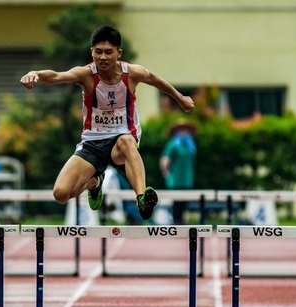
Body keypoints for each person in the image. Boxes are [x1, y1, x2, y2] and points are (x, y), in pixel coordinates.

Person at [20, 25, 194, 220]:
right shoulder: (86, 74)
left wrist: (180, 98)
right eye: (98, 52)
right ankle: (94, 183)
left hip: (121, 139)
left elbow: (155, 80)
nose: (103, 57)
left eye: (108, 52)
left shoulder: (132, 73)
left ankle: (142, 198)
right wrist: (35, 73)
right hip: (93, 142)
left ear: (118, 53)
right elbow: (56, 76)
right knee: (61, 194)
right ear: (91, 51)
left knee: (126, 141)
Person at [160, 119, 198, 224]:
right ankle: (176, 221)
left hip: (187, 178)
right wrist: (166, 173)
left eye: (185, 129)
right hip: (175, 179)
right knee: (176, 202)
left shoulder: (190, 145)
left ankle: (180, 220)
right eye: (181, 129)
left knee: (184, 202)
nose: (183, 131)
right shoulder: (173, 144)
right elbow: (165, 160)